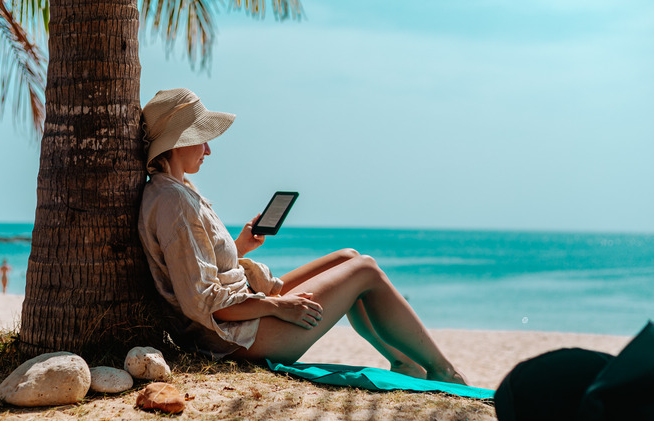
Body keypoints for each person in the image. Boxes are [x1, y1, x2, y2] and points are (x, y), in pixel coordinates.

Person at [138, 88, 467, 384]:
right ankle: (444, 371)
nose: (208, 150)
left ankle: (406, 363)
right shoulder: (173, 201)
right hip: (237, 338)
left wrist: (240, 247)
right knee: (364, 269)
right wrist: (278, 308)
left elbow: (198, 268)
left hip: (242, 316)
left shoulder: (178, 190)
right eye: (202, 138)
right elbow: (207, 302)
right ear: (178, 140)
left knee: (349, 257)